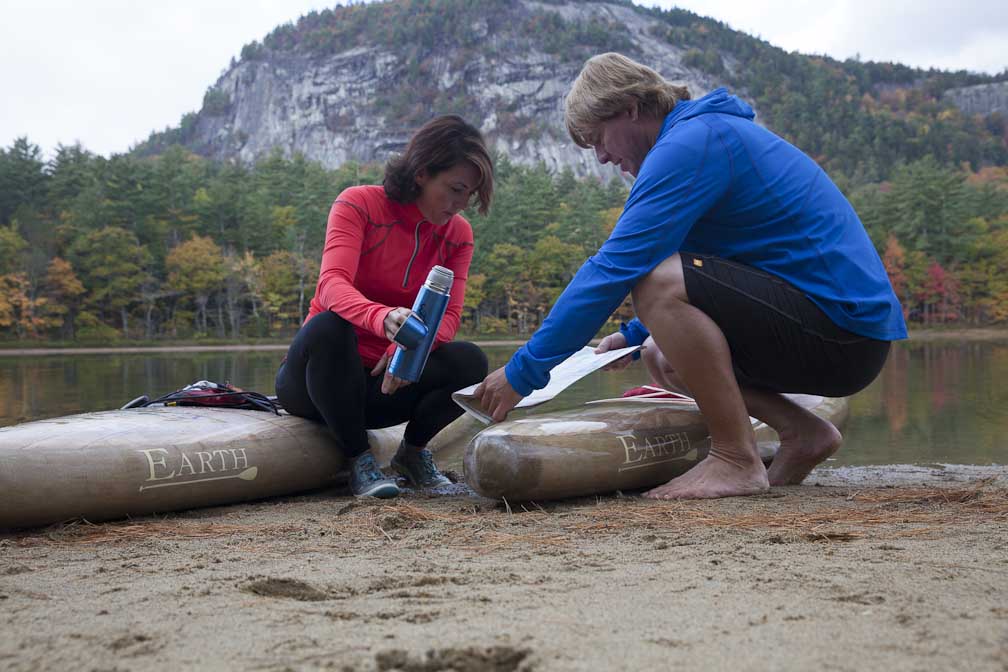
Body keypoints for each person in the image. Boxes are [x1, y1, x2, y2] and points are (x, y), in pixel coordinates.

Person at [474, 53, 906, 500]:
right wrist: (631, 335)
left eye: (597, 138)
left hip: (842, 332)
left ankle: (736, 459)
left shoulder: (692, 143)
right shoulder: (700, 139)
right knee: (660, 352)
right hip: (838, 334)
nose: (601, 156)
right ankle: (803, 433)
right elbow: (722, 266)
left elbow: (613, 268)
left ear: (630, 108)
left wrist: (525, 372)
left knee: (655, 281)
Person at [276, 115, 493, 498]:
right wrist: (382, 318)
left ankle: (411, 453)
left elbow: (450, 318)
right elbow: (331, 286)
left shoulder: (458, 234)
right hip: (317, 382)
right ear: (422, 172)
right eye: (455, 189)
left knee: (469, 362)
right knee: (330, 326)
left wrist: (408, 348)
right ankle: (359, 460)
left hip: (386, 385)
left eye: (469, 195)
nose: (461, 205)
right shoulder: (359, 204)